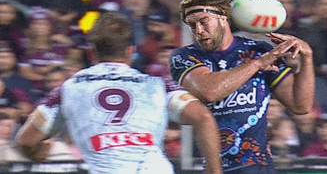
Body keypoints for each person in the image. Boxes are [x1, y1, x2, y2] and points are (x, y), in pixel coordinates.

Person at [15, 12, 222, 174]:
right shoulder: (157, 85)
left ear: (91, 52)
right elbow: (203, 117)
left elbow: (25, 140)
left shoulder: (68, 88)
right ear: (131, 52)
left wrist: (38, 153)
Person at [170, 0, 315, 174]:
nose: (198, 30)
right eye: (192, 25)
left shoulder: (258, 50)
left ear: (223, 17)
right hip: (216, 169)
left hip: (258, 166)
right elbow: (209, 91)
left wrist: (307, 57)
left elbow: (300, 105)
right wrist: (258, 64)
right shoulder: (184, 56)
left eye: (204, 21)